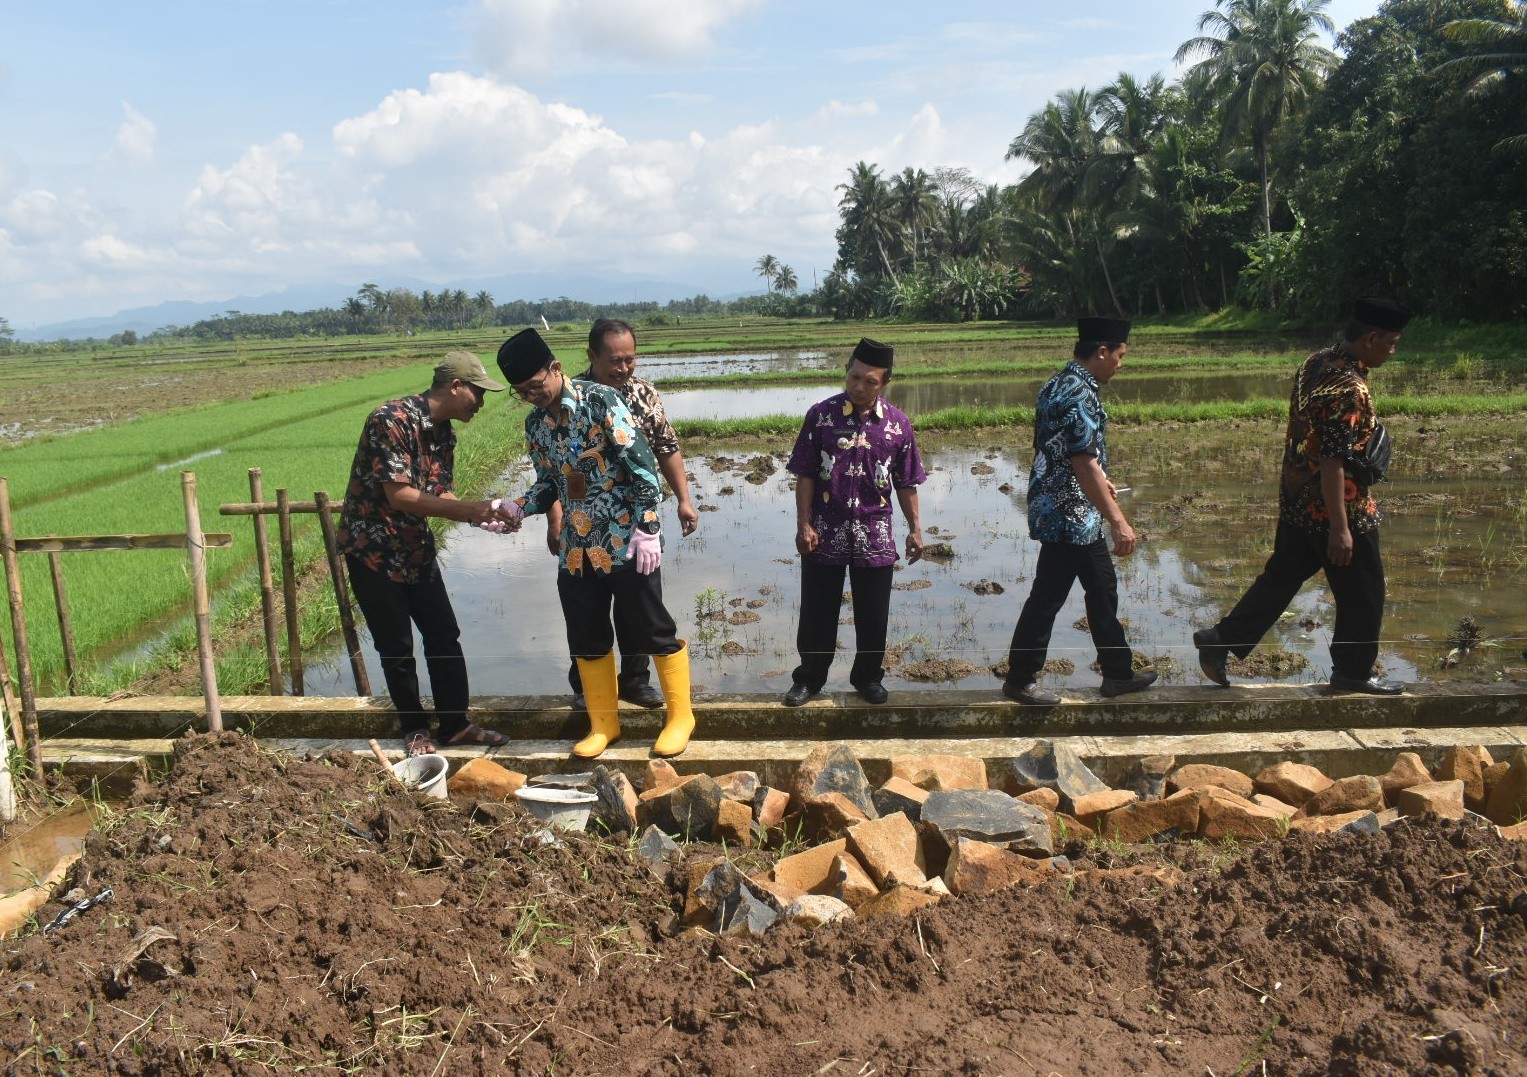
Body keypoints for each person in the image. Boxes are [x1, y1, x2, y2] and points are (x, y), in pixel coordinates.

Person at [495, 328, 697, 758]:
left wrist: (647, 527)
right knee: (586, 636)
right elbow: (550, 482)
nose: (532, 396)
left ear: (556, 368)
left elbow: (643, 466)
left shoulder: (601, 401)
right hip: (576, 548)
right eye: (521, 392)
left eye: (536, 386)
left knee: (652, 628)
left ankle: (681, 717)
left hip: (626, 541)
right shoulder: (537, 425)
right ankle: (604, 723)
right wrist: (518, 507)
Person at [1194, 297, 1413, 694]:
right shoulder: (1347, 388)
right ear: (1371, 338)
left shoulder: (1316, 362)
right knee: (1365, 590)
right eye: (1392, 343)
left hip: (1298, 501)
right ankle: (1353, 673)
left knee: (1283, 575)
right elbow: (1332, 461)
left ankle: (1222, 639)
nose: (1393, 350)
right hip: (1337, 508)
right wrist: (1341, 529)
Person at [338, 351, 513, 756]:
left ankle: (454, 724)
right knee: (396, 645)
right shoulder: (391, 420)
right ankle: (415, 729)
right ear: (455, 387)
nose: (482, 403)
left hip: (414, 549)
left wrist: (482, 515)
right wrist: (468, 509)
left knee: (443, 634)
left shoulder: (443, 432)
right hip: (374, 552)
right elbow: (399, 495)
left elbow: (439, 493)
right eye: (478, 394)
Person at [545, 318, 699, 711]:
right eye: (615, 360)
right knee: (586, 610)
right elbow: (553, 468)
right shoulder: (570, 398)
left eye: (630, 359)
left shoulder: (643, 394)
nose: (624, 368)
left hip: (636, 523)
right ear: (592, 356)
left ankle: (634, 680)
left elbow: (666, 447)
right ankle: (588, 691)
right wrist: (554, 517)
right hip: (585, 527)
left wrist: (684, 499)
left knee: (638, 609)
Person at [1002, 317, 1157, 706]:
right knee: (1049, 595)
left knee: (1101, 587)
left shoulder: (1056, 383)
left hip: (1064, 505)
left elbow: (1056, 448)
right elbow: (1082, 462)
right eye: (1120, 355)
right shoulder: (1081, 394)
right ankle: (1020, 679)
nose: (1121, 364)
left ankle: (1118, 673)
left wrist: (1099, 479)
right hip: (1069, 513)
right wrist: (1118, 520)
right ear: (1102, 351)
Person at [782, 337, 926, 707]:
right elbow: (806, 474)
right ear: (846, 373)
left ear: (885, 383)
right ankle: (809, 680)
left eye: (869, 382)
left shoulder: (898, 425)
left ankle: (868, 678)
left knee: (874, 613)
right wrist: (804, 524)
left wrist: (915, 529)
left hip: (874, 533)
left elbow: (906, 481)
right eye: (853, 377)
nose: (859, 387)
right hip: (824, 531)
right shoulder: (821, 416)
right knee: (817, 611)